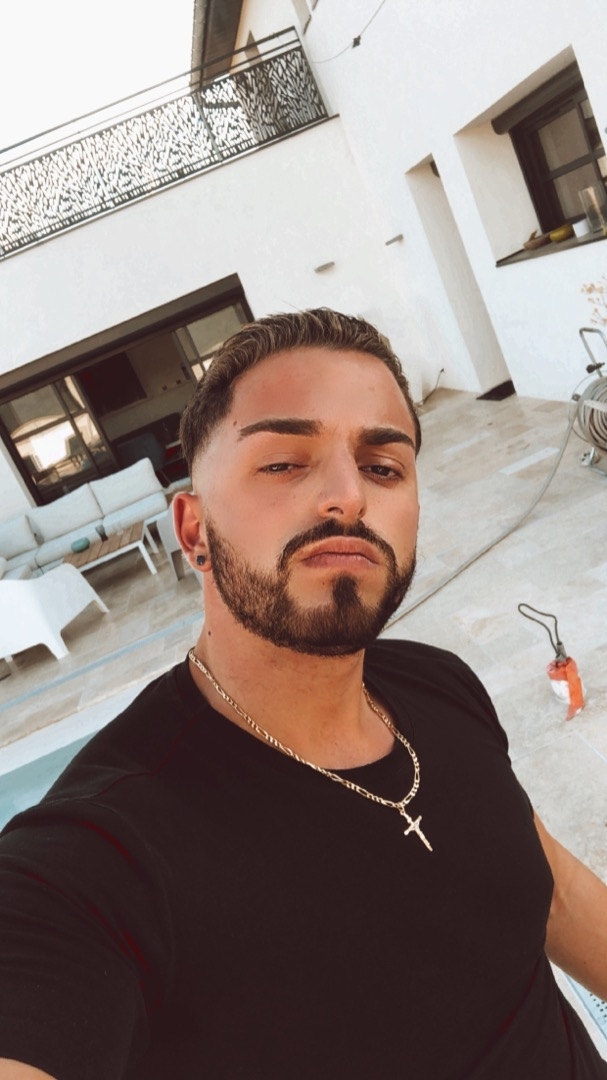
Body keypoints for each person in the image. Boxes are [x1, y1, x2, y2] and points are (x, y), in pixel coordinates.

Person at [0, 308, 606, 1080]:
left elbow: (550, 893)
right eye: (285, 462)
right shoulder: (100, 859)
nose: (347, 496)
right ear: (193, 531)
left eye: (383, 467)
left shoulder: (436, 682)